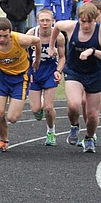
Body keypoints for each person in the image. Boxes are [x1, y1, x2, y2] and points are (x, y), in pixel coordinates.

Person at [51, 2, 101, 154]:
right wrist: (52, 45)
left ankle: (89, 137)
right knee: (74, 105)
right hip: (74, 72)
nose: (86, 25)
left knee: (93, 115)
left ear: (96, 20)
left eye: (90, 22)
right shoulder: (70, 26)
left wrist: (92, 51)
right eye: (83, 21)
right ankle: (74, 126)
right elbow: (57, 26)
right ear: (78, 19)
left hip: (95, 75)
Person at [0, 17, 46, 152]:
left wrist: (37, 60)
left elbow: (37, 41)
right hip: (1, 77)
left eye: (5, 36)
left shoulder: (20, 39)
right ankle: (4, 140)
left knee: (12, 118)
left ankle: (40, 103)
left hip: (20, 78)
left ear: (10, 33)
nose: (2, 39)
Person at [26, 8, 66, 147]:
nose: (44, 23)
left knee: (49, 108)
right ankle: (39, 104)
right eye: (42, 20)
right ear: (37, 21)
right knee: (36, 110)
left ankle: (51, 131)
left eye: (47, 20)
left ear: (53, 21)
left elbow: (62, 58)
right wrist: (27, 72)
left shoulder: (59, 36)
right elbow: (23, 55)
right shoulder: (31, 34)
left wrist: (58, 71)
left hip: (49, 71)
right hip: (35, 71)